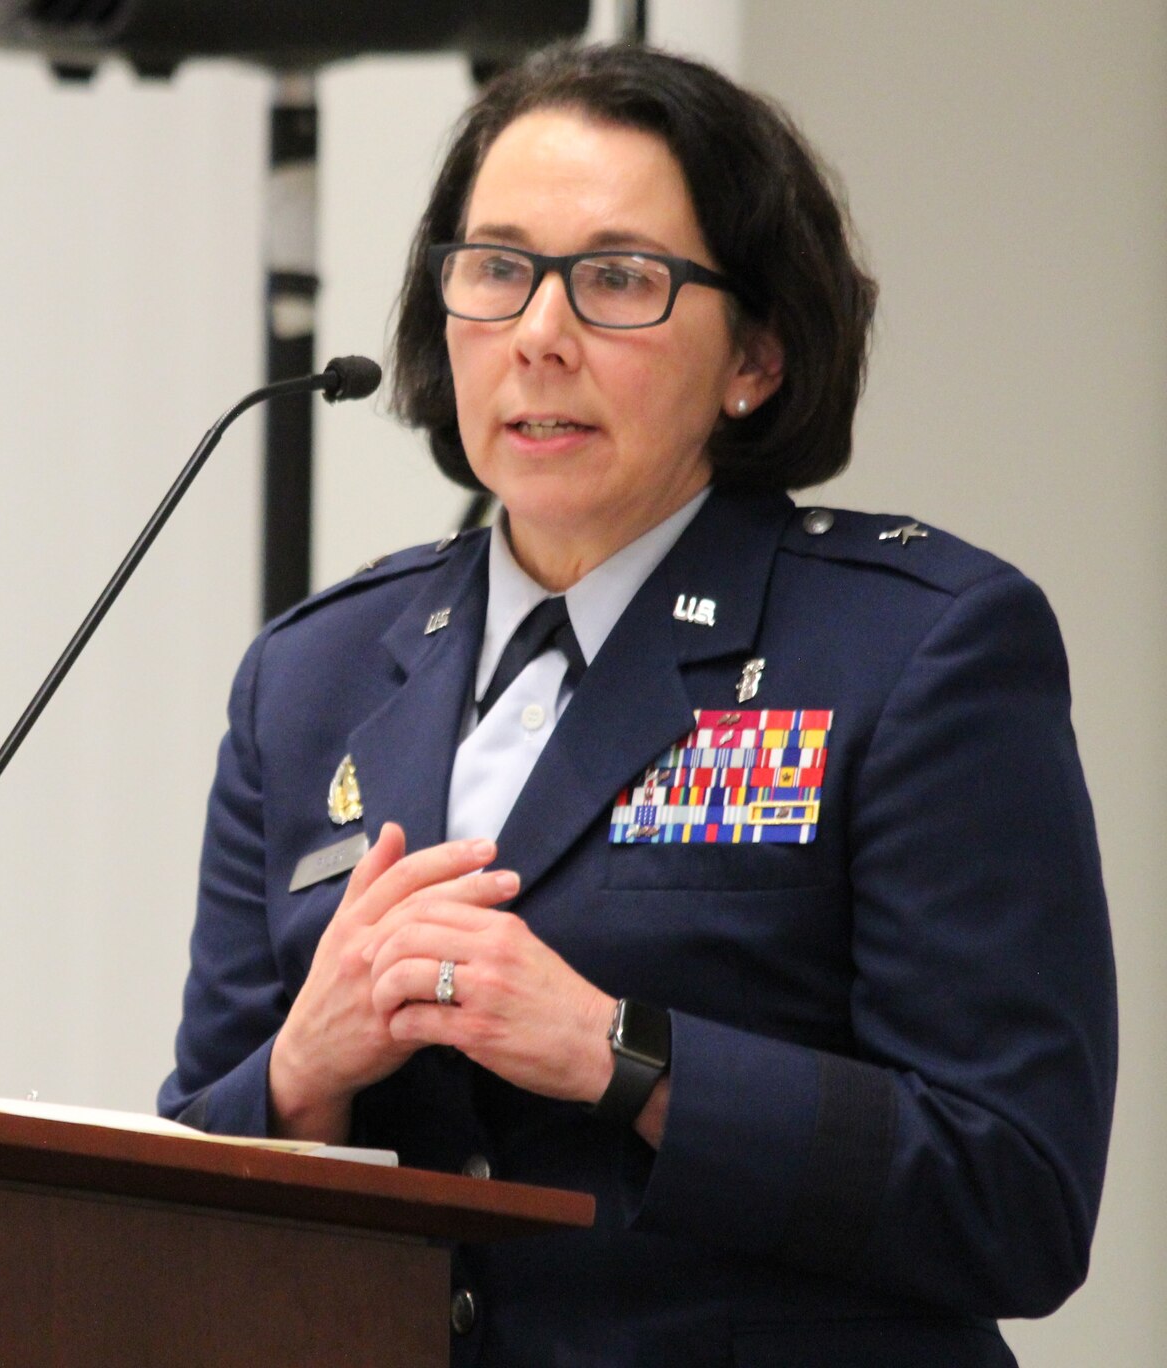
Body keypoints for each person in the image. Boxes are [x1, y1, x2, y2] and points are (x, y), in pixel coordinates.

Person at [158, 43, 1116, 1368]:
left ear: (756, 358)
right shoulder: (312, 677)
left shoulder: (918, 651)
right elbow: (176, 1189)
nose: (540, 334)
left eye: (618, 280)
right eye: (495, 270)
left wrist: (619, 1052)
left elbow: (1016, 1196)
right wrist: (298, 1075)